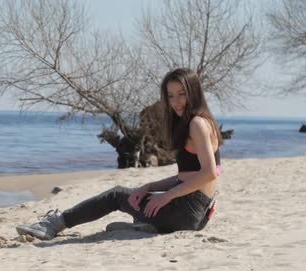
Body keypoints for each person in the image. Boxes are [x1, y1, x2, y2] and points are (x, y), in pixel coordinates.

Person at [16, 68, 223, 240]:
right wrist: (150, 187)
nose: (176, 101)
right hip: (195, 214)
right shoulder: (203, 121)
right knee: (136, 196)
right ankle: (146, 224)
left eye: (182, 94)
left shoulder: (197, 124)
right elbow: (188, 175)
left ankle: (54, 224)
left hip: (185, 211)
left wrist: (166, 197)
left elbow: (209, 173)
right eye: (170, 96)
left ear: (194, 92)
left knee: (116, 195)